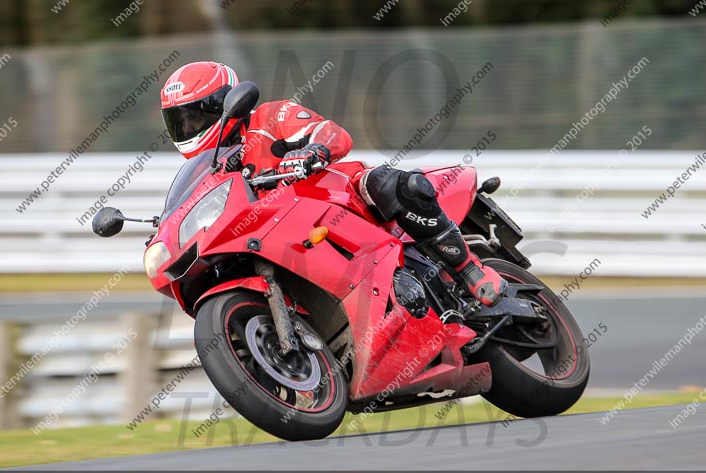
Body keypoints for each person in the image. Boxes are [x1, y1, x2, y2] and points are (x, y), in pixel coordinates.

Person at [160, 61, 505, 305]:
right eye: (180, 122)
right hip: (282, 239)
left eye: (195, 116)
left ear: (224, 104)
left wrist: (315, 150)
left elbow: (331, 132)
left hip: (337, 200)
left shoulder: (269, 117)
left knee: (384, 183)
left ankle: (468, 269)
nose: (188, 128)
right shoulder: (213, 170)